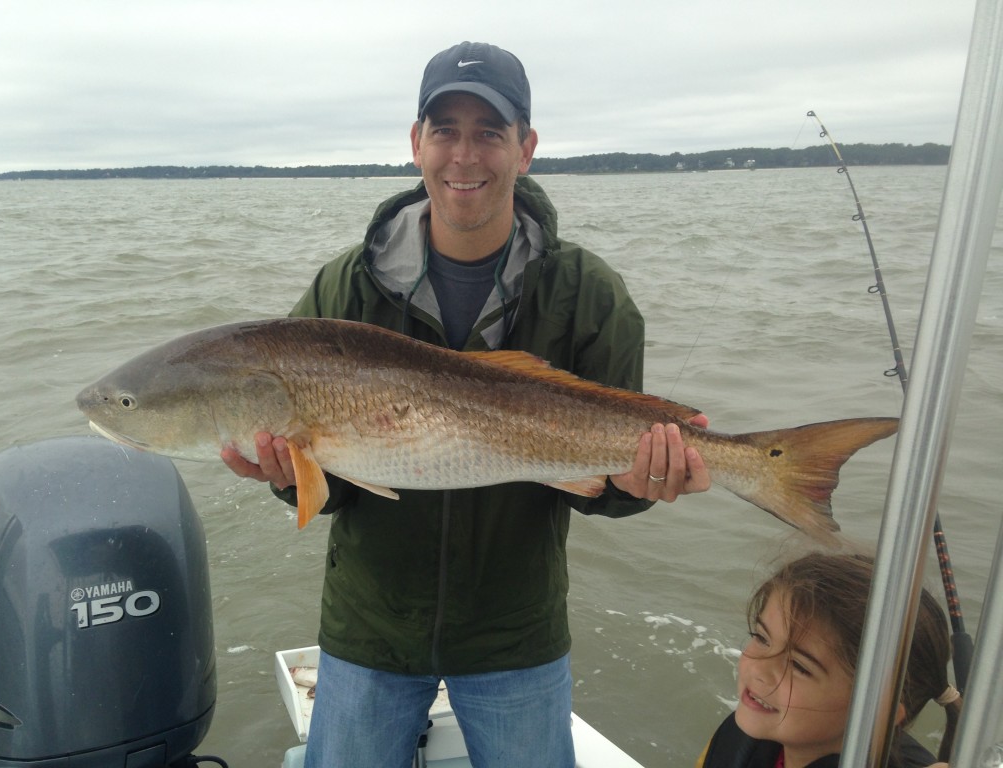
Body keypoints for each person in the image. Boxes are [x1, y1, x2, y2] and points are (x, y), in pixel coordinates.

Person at [221, 41, 710, 767]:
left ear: (527, 148)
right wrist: (287, 477)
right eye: (445, 129)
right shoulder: (343, 290)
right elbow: (326, 486)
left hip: (516, 633)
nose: (464, 155)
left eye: (490, 131)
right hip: (370, 629)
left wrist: (637, 487)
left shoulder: (587, 296)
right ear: (416, 142)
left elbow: (606, 487)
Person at [696, 552, 963, 768]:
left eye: (799, 666)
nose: (757, 668)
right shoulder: (743, 742)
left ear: (876, 714)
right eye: (762, 637)